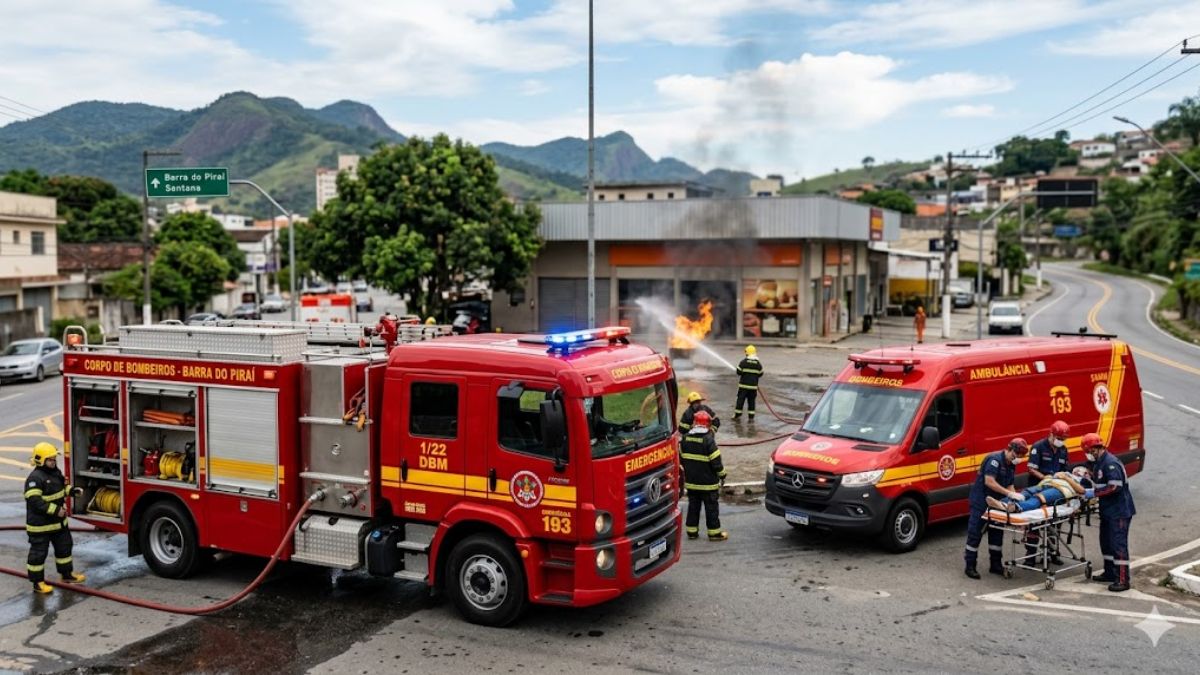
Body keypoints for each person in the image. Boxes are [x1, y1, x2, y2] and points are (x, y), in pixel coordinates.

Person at [25, 442, 85, 594]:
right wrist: (55, 510)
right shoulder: (35, 479)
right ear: (40, 460)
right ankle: (37, 583)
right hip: (40, 526)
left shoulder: (55, 473)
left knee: (65, 548)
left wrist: (72, 491)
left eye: (53, 459)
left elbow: (61, 489)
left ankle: (66, 575)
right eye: (50, 460)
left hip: (58, 524)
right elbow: (35, 501)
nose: (53, 462)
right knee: (38, 555)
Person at [964, 438, 1027, 579]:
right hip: (981, 501)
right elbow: (989, 481)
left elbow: (1010, 484)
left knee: (997, 534)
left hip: (997, 502)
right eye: (1017, 456)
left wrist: (1014, 496)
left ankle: (995, 565)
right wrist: (1008, 493)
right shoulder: (994, 460)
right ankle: (970, 566)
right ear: (1010, 450)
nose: (1018, 459)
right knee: (975, 533)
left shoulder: (1010, 464)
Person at [1081, 433, 1136, 592]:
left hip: (1119, 511)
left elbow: (1114, 487)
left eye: (1089, 451)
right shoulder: (1099, 462)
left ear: (1095, 449)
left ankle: (1122, 580)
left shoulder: (1110, 463)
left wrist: (1093, 494)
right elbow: (1098, 481)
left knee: (1118, 544)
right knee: (1106, 542)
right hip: (1108, 510)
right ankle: (1110, 572)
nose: (1088, 454)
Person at [1025, 420, 1071, 561]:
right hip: (1039, 489)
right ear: (1051, 434)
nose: (1061, 441)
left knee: (1055, 523)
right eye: (1059, 438)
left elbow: (1064, 471)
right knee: (1034, 524)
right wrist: (1046, 479)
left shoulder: (1063, 450)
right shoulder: (1038, 447)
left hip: (1055, 492)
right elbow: (1032, 468)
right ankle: (1031, 555)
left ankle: (1052, 553)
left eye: (1063, 439)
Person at [680, 411, 728, 541]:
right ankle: (714, 533)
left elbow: (681, 460)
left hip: (691, 483)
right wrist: (723, 475)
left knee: (693, 507)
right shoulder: (708, 440)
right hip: (708, 484)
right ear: (707, 424)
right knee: (711, 508)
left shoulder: (684, 439)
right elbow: (716, 462)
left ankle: (692, 532)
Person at [986, 468, 1093, 513]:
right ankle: (1002, 503)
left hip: (1061, 490)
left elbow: (1082, 491)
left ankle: (1018, 507)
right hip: (1048, 483)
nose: (1078, 470)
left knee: (1038, 497)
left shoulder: (1084, 480)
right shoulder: (1066, 472)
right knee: (1026, 492)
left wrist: (1066, 478)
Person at [733, 345, 763, 422]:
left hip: (743, 387)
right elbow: (760, 374)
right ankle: (751, 417)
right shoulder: (758, 364)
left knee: (740, 400)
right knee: (751, 402)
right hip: (753, 388)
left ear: (747, 353)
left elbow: (738, 372)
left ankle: (737, 415)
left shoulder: (743, 362)